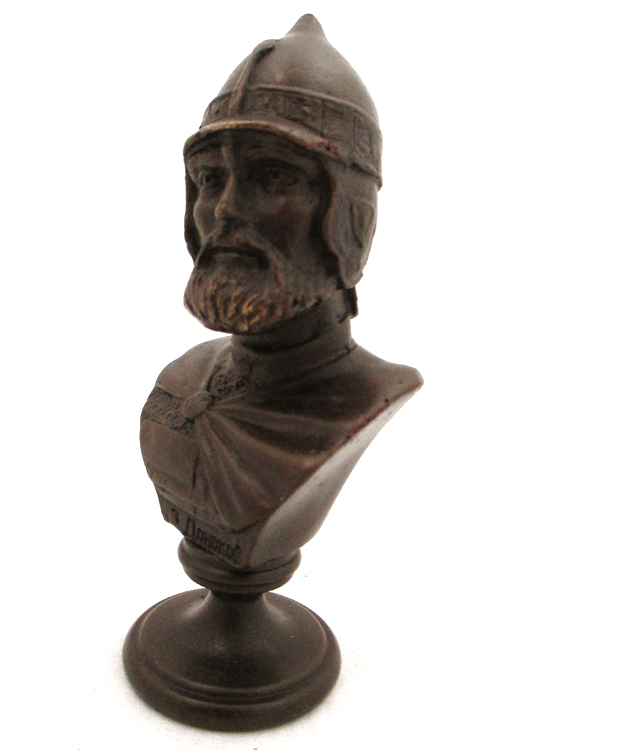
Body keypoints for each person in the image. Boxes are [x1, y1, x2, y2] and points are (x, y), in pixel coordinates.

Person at [140, 14, 422, 569]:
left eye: (272, 177)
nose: (224, 209)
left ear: (349, 214)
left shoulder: (369, 397)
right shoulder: (180, 381)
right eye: (211, 179)